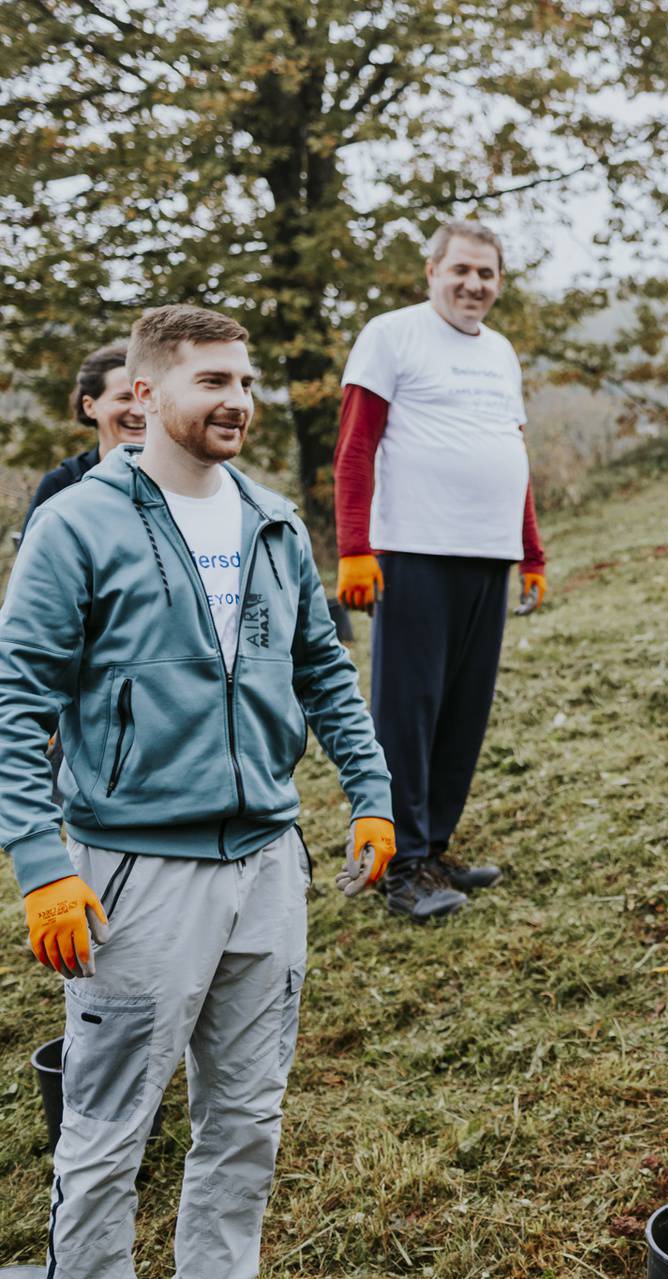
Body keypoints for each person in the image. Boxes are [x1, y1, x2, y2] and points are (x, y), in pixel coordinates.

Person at [0, 303, 395, 1279]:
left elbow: (324, 672)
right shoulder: (77, 524)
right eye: (214, 381)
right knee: (106, 1137)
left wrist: (373, 791)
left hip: (267, 866)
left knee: (247, 1124)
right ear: (144, 393)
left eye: (247, 382)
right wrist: (42, 864)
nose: (240, 401)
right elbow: (15, 703)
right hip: (133, 876)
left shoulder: (270, 520)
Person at [333, 218, 548, 920]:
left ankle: (433, 846)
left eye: (487, 273)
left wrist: (533, 552)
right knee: (407, 710)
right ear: (431, 270)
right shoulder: (390, 334)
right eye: (461, 269)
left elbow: (509, 452)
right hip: (413, 551)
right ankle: (398, 868)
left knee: (463, 710)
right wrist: (355, 548)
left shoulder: (502, 352)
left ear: (500, 282)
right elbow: (355, 448)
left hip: (487, 553)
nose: (473, 284)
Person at [21, 341, 147, 531]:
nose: (138, 411)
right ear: (90, 406)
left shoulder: (185, 480)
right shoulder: (62, 485)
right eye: (123, 398)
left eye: (145, 397)